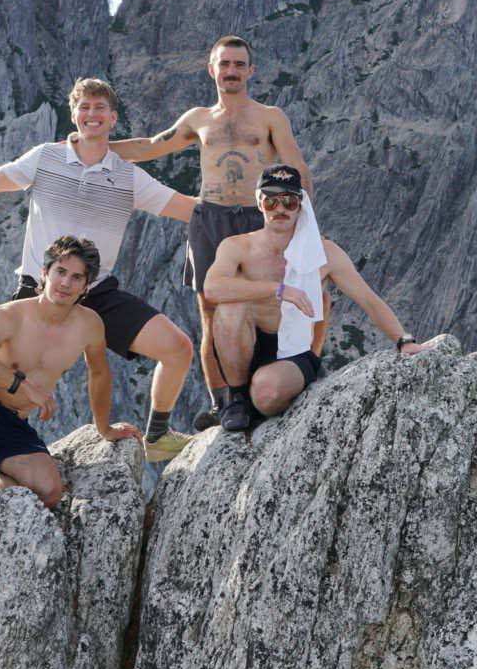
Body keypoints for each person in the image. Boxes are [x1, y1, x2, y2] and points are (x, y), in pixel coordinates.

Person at [0, 76, 197, 465]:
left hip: (96, 291)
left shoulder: (127, 176)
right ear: (73, 114)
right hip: (41, 291)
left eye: (100, 108)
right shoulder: (46, 158)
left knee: (178, 348)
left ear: (114, 117)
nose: (92, 114)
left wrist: (255, 205)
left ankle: (158, 436)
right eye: (84, 107)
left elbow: (187, 207)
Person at [105, 35, 319, 429]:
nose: (231, 71)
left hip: (258, 217)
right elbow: (151, 147)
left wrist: (305, 224)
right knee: (210, 310)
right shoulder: (198, 119)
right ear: (212, 69)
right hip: (211, 219)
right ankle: (223, 401)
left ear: (251, 70)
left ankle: (266, 385)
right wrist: (93, 144)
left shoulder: (270, 117)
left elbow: (297, 167)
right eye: (225, 64)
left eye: (239, 64)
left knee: (263, 303)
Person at [204, 165, 431, 432]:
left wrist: (404, 340)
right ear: (259, 202)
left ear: (300, 205)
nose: (280, 209)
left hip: (294, 350)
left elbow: (368, 299)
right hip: (247, 342)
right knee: (231, 306)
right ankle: (237, 398)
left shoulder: (324, 253)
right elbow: (213, 289)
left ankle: (258, 399)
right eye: (271, 201)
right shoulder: (237, 247)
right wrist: (279, 289)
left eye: (289, 202)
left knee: (266, 394)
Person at [0, 235, 140, 506]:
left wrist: (105, 428)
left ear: (86, 286)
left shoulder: (89, 325)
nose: (65, 283)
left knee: (50, 492)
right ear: (44, 273)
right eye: (60, 272)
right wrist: (23, 386)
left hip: (9, 423)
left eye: (77, 277)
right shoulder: (10, 315)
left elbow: (99, 374)